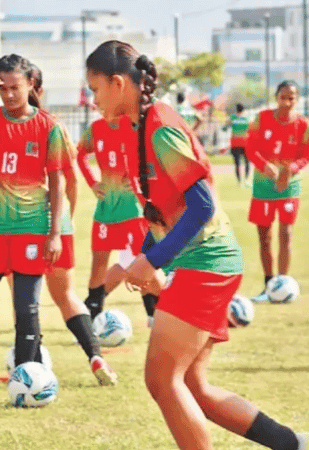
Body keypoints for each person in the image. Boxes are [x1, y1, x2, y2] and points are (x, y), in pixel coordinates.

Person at [86, 39, 307, 450]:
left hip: (206, 263)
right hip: (201, 263)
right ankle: (290, 443)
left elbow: (202, 204)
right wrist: (144, 257)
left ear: (118, 84)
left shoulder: (160, 126)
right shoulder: (137, 128)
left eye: (95, 89)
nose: (92, 100)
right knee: (192, 386)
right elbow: (159, 209)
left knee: (162, 380)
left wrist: (154, 259)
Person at [0, 53, 116, 409]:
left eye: (16, 87)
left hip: (31, 232)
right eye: (4, 89)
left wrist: (55, 234)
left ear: (31, 84)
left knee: (27, 311)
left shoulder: (48, 126)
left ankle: (28, 381)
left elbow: (58, 182)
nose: (10, 95)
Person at [27, 63, 120, 382]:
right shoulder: (58, 127)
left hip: (23, 224)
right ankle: (96, 357)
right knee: (66, 296)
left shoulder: (18, 126)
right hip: (60, 224)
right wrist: (67, 218)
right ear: (41, 91)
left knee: (25, 301)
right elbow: (71, 180)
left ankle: (33, 363)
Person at [76, 115, 157, 324]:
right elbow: (80, 153)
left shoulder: (134, 126)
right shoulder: (96, 128)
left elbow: (156, 155)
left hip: (133, 210)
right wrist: (92, 182)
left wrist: (142, 177)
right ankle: (92, 315)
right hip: (106, 210)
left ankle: (158, 313)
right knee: (101, 264)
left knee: (142, 262)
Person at [245, 81, 308, 303]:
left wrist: (291, 169)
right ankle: (269, 284)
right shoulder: (261, 119)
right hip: (264, 187)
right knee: (265, 236)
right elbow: (250, 148)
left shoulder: (303, 124)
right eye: (283, 97)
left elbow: (306, 155)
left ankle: (283, 283)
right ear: (276, 97)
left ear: (297, 100)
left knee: (286, 234)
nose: (287, 102)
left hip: (289, 186)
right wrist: (264, 166)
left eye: (292, 98)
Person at [225, 103, 251, 186]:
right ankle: (246, 180)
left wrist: (227, 123)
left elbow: (224, 128)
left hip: (235, 143)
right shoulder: (247, 118)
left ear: (236, 109)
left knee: (237, 163)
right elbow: (251, 129)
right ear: (243, 110)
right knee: (247, 162)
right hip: (245, 143)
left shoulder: (232, 118)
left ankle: (239, 182)